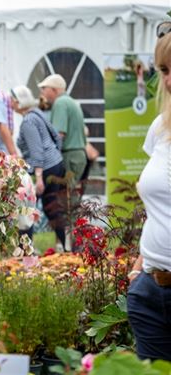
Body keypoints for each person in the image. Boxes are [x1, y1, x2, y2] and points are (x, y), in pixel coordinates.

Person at [126, 23, 171, 362]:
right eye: (165, 70)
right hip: (150, 290)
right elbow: (158, 203)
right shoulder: (160, 128)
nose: (168, 81)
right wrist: (142, 261)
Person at [11, 85, 67, 249]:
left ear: (19, 102)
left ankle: (26, 249)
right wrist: (55, 155)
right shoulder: (37, 113)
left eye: (13, 101)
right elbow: (56, 137)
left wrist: (39, 178)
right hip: (55, 163)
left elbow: (36, 151)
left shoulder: (28, 121)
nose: (11, 104)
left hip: (43, 168)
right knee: (52, 208)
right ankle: (67, 245)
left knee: (26, 208)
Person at [38, 74, 86, 188]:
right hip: (77, 155)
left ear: (54, 89)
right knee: (70, 195)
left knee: (66, 198)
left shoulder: (60, 103)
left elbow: (59, 135)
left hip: (69, 156)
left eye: (44, 89)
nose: (42, 93)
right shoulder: (70, 101)